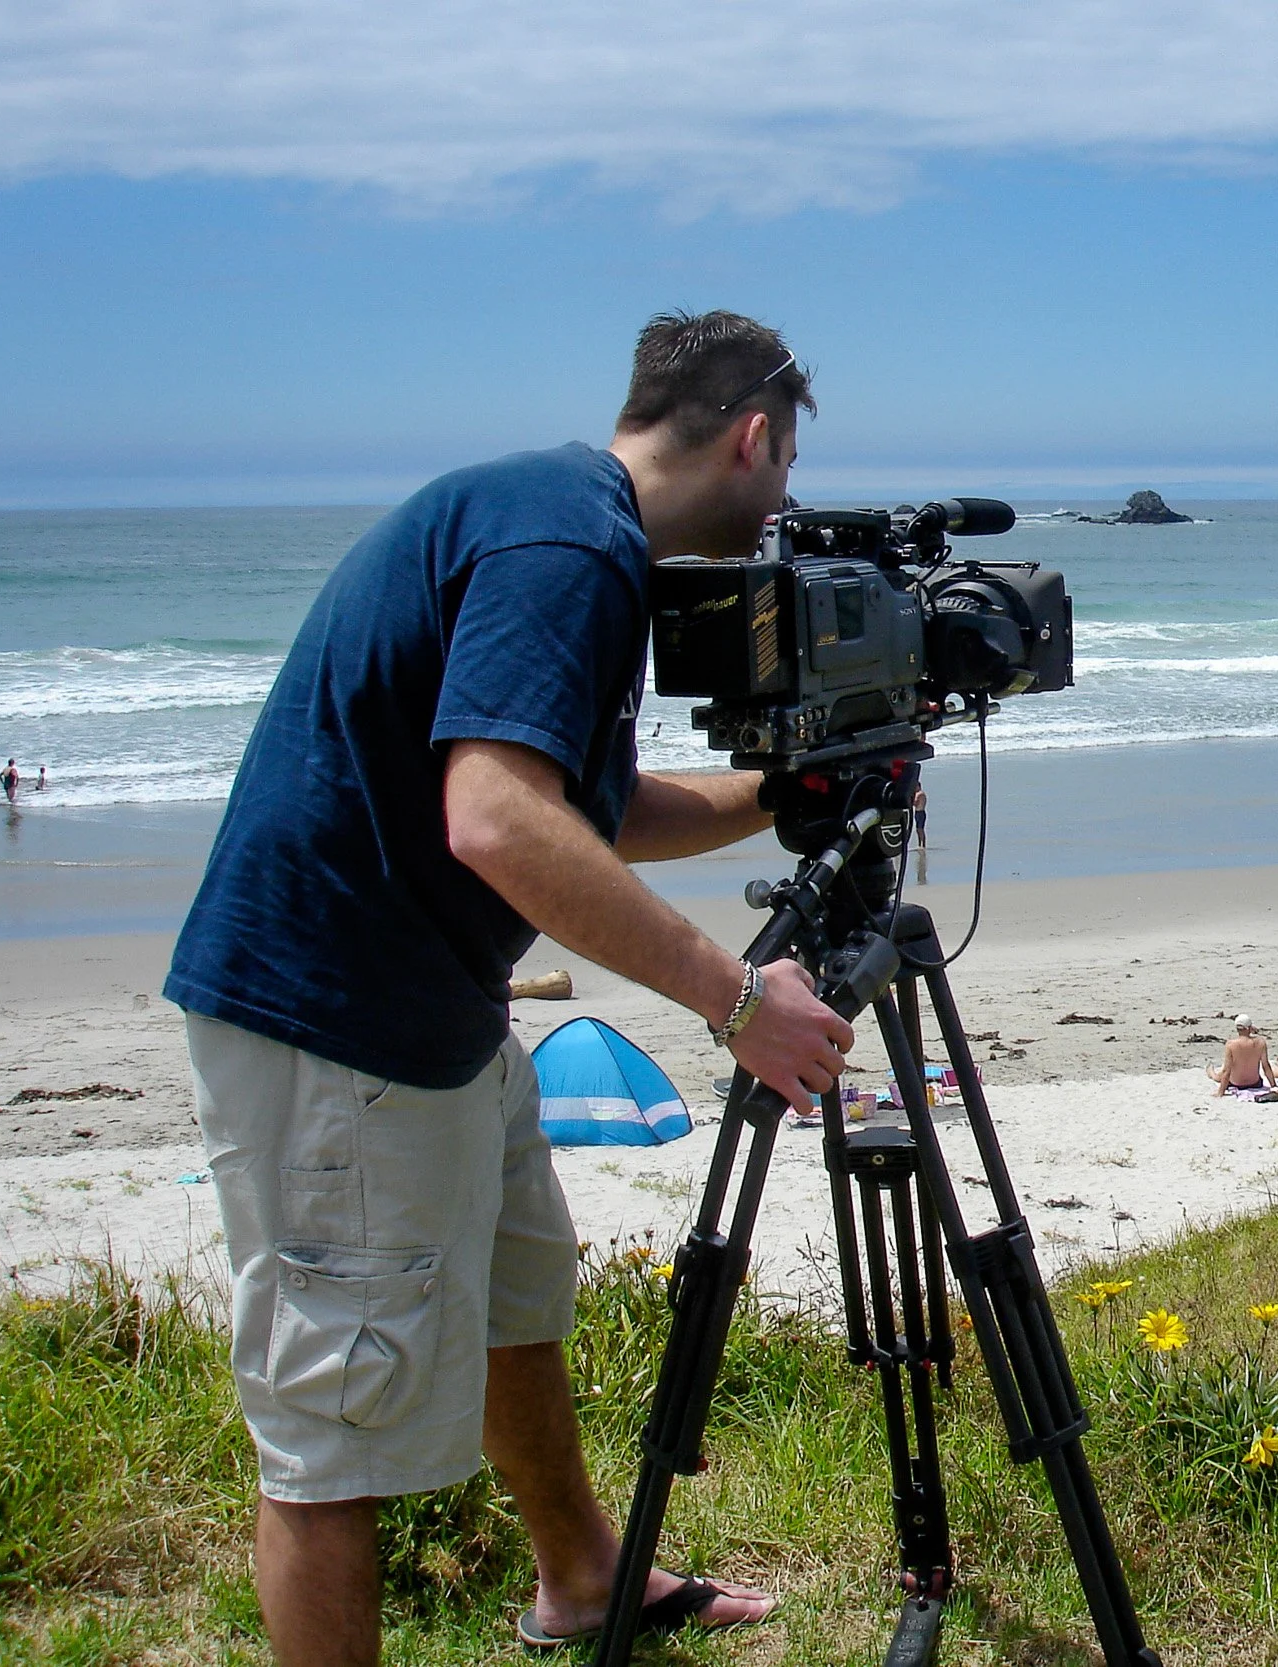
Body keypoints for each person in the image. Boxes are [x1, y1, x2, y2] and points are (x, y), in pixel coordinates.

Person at [162, 311, 856, 1665]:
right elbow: (494, 817)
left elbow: (584, 804)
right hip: (332, 1015)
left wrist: (781, 791)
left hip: (429, 1007)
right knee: (334, 1425)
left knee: (513, 1295)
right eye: (784, 477)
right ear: (754, 435)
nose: (781, 513)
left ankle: (583, 1578)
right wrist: (732, 996)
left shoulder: (562, 519)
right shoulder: (568, 547)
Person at [1208, 1016, 1274, 1095]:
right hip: (1255, 1084)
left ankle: (1212, 1074)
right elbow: (1266, 1066)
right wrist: (1274, 1086)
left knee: (1220, 1074)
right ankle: (1212, 1073)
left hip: (1236, 1083)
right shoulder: (1260, 1042)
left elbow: (1227, 1071)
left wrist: (1220, 1092)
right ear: (1249, 1027)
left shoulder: (1231, 1045)